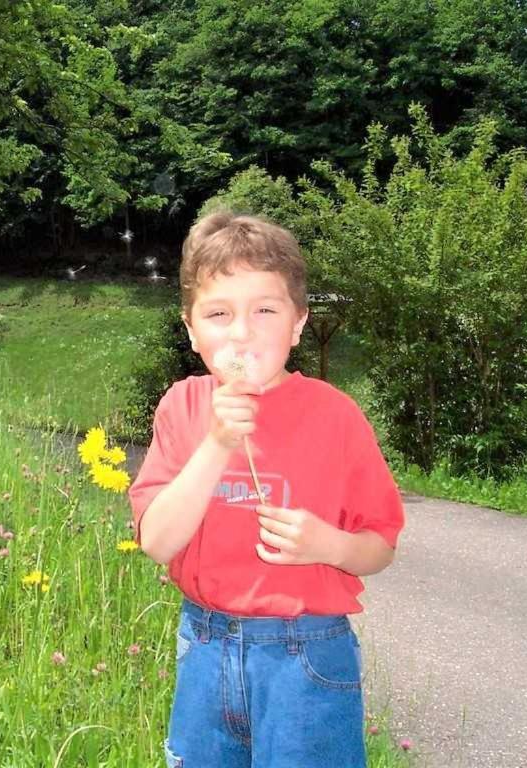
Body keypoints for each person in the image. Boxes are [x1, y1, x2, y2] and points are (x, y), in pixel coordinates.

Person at [128, 210, 404, 768]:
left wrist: (330, 546)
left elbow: (381, 545)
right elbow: (158, 540)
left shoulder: (336, 416)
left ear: (298, 324)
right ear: (191, 329)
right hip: (204, 647)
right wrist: (218, 443)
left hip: (308, 656)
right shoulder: (183, 407)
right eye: (219, 313)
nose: (242, 332)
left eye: (265, 310)